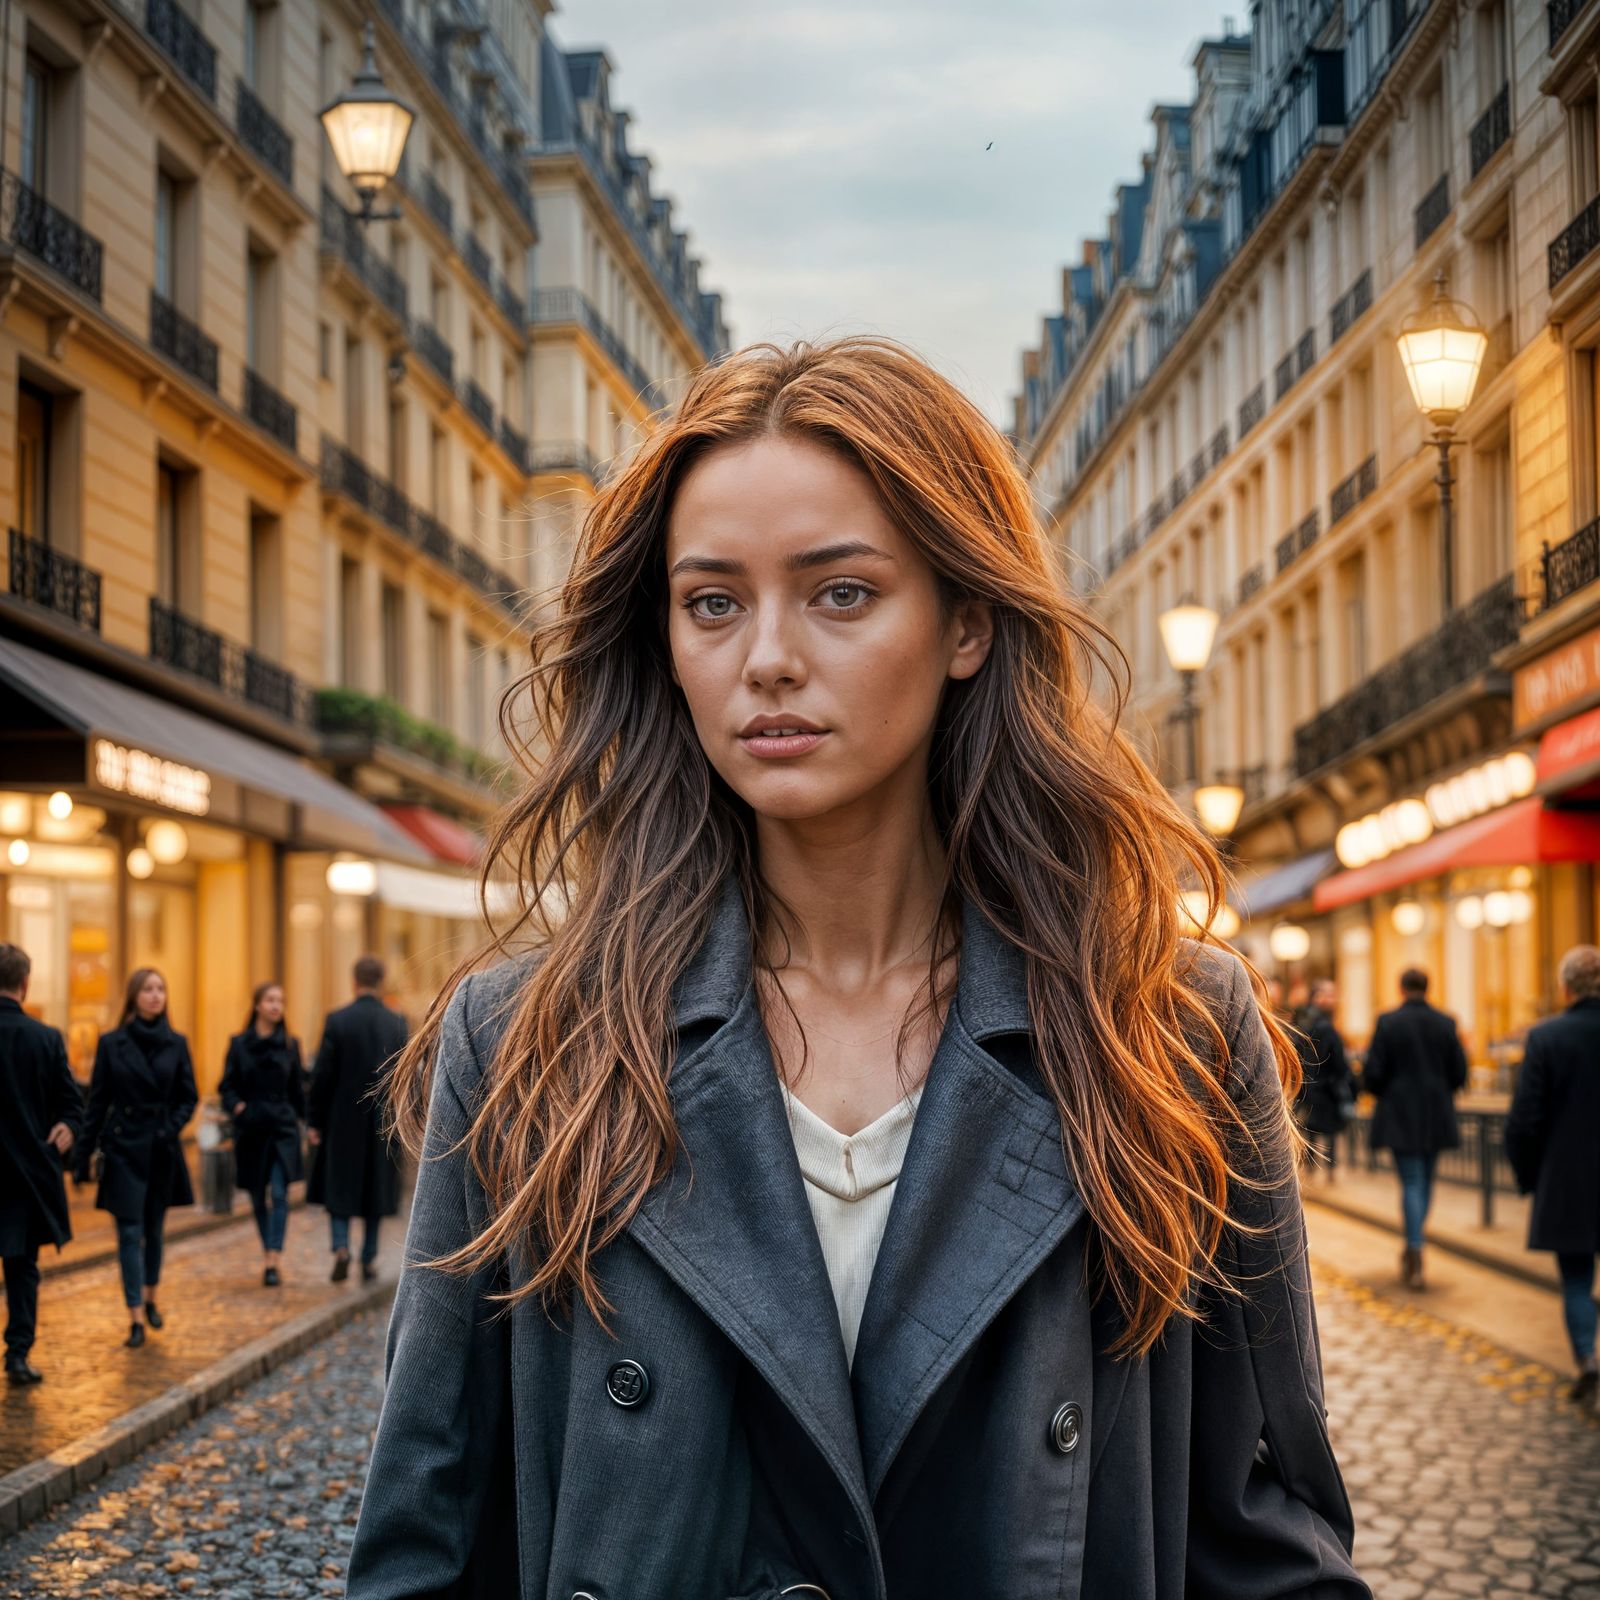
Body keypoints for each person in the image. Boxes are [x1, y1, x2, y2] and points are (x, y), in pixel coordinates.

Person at [344, 339, 1366, 1599]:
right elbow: (425, 1544)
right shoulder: (524, 1043)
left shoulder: (1165, 1030)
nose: (766, 657)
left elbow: (1266, 1545)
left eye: (839, 593)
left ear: (966, 623)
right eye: (712, 603)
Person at [75, 968, 198, 1348]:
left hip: (160, 1148)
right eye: (148, 989)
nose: (156, 995)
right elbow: (97, 1103)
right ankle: (134, 1317)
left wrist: (169, 1127)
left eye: (161, 989)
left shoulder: (176, 1042)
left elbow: (188, 1095)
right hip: (123, 1148)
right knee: (129, 1232)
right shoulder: (112, 1043)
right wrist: (81, 1155)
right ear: (134, 996)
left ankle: (150, 1297)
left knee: (153, 1231)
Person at [1505, 944, 1600, 1408]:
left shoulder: (1546, 1037)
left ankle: (1587, 1362)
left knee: (1577, 1278)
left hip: (1570, 1179)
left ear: (1565, 989)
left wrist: (1531, 1178)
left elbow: (1524, 1120)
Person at [0, 943, 82, 1385]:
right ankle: (17, 1353)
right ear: (25, 983)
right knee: (22, 1267)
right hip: (26, 1172)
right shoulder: (46, 1038)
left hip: (17, 1171)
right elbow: (71, 1102)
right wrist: (67, 1126)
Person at [1362, 966, 1468, 1291]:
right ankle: (1415, 1243)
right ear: (1427, 987)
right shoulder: (1446, 1022)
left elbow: (1373, 1073)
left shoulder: (1388, 1022)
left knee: (1411, 1181)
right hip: (1436, 1113)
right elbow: (1460, 1072)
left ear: (1401, 988)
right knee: (1426, 1181)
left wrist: (1389, 1092)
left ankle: (1415, 1247)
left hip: (1400, 1114)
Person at [308, 957, 405, 1284]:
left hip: (342, 1119)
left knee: (340, 1185)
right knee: (375, 1190)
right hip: (382, 1121)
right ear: (381, 981)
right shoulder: (396, 1023)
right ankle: (368, 1256)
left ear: (354, 981)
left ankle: (340, 1248)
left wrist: (315, 1121)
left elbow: (322, 1076)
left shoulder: (338, 1020)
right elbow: (403, 1078)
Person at [220, 982, 306, 1287]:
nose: (276, 1006)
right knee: (257, 1196)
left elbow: (297, 1089)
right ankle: (267, 1249)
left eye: (280, 1000)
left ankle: (272, 1258)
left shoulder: (291, 1045)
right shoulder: (238, 1044)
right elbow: (226, 1085)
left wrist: (307, 1124)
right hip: (252, 1129)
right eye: (270, 1000)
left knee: (279, 1193)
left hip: (282, 1128)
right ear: (257, 1005)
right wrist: (237, 1106)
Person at [1293, 978, 1354, 1180]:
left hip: (1308, 1088)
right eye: (1327, 994)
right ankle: (1328, 1172)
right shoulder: (1326, 1027)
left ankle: (1312, 1170)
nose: (1331, 999)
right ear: (1316, 996)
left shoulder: (1304, 1023)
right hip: (1326, 1088)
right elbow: (1339, 1062)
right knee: (1329, 1132)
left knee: (1311, 1129)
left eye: (1333, 994)